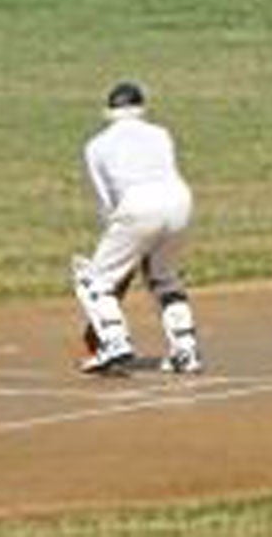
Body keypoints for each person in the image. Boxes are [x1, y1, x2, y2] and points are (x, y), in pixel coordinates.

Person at [71, 81, 203, 375]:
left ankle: (114, 342)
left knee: (93, 282)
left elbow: (108, 201)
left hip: (137, 206)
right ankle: (187, 351)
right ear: (141, 109)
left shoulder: (96, 146)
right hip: (180, 202)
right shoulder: (161, 134)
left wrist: (119, 246)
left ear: (109, 111)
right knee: (164, 278)